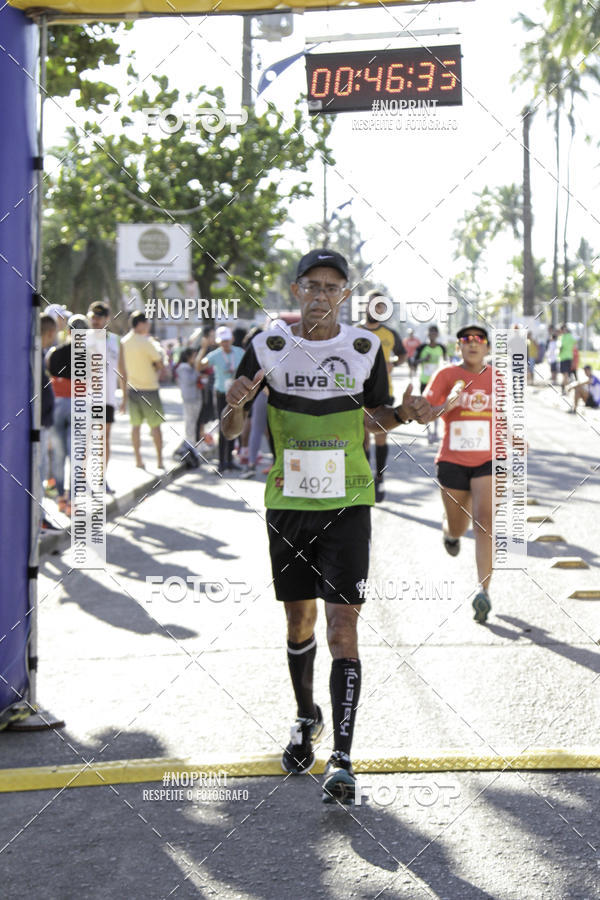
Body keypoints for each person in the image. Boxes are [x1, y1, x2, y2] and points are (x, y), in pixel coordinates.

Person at [221, 248, 433, 805]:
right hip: (288, 502)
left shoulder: (364, 349)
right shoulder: (266, 346)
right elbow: (230, 428)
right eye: (311, 285)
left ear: (345, 295)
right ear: (296, 291)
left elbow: (377, 417)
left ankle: (341, 756)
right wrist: (236, 404)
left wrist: (405, 415)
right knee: (299, 620)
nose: (321, 294)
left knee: (342, 626)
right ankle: (304, 715)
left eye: (332, 287)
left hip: (348, 502)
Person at [424, 324, 494, 624]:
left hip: (488, 459)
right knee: (458, 525)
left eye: (479, 340)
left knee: (485, 522)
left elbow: (508, 414)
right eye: (466, 340)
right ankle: (449, 533)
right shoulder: (446, 376)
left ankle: (483, 592)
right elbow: (427, 411)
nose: (473, 344)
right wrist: (446, 403)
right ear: (459, 347)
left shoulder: (498, 379)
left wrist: (516, 436)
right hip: (452, 460)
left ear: (487, 347)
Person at [359, 291, 406, 502]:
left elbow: (403, 354)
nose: (376, 309)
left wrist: (393, 363)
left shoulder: (389, 334)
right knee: (362, 438)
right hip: (357, 392)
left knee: (380, 436)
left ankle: (379, 477)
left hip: (383, 392)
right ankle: (364, 479)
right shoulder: (353, 331)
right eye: (373, 305)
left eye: (380, 306)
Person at [46, 314, 90, 515]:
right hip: (79, 405)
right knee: (76, 456)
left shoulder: (54, 353)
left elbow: (50, 375)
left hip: (57, 404)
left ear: (68, 331)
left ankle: (61, 499)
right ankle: (72, 501)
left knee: (58, 454)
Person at [120, 310, 167, 470]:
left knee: (135, 426)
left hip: (132, 388)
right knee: (155, 427)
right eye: (146, 323)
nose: (148, 326)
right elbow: (160, 363)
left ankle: (138, 460)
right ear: (139, 324)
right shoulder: (146, 342)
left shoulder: (124, 341)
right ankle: (160, 460)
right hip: (149, 389)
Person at [87, 301, 123, 493]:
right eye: (93, 316)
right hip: (86, 399)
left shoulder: (115, 340)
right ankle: (83, 480)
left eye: (100, 317)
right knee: (85, 440)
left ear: (107, 319)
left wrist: (124, 396)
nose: (96, 320)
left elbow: (122, 370)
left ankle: (101, 479)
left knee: (104, 440)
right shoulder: (82, 339)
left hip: (107, 399)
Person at [198, 326, 244, 475]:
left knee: (234, 425)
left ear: (232, 339)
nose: (225, 343)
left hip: (236, 394)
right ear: (218, 342)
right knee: (223, 426)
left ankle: (230, 460)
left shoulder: (239, 352)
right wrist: (203, 348)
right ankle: (221, 461)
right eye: (222, 341)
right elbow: (199, 366)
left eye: (227, 340)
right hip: (221, 394)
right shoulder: (215, 354)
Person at [40, 314, 59, 530]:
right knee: (40, 474)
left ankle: (40, 517)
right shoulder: (38, 355)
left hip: (44, 425)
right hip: (40, 426)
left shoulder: (42, 354)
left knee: (42, 473)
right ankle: (39, 520)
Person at [415, 325, 447, 443]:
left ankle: (435, 432)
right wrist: (423, 360)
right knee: (425, 407)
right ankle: (428, 433)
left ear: (437, 334)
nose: (433, 334)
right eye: (431, 332)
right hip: (424, 381)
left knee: (437, 407)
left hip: (438, 382)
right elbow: (413, 361)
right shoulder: (422, 348)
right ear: (427, 334)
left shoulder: (441, 348)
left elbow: (446, 361)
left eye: (435, 332)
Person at [174, 347, 202, 465]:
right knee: (190, 424)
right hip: (189, 399)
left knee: (193, 424)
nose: (195, 358)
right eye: (194, 356)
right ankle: (189, 447)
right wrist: (197, 371)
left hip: (195, 398)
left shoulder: (189, 368)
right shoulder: (183, 368)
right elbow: (190, 380)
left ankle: (192, 447)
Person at [557, 324, 576, 393]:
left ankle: (563, 388)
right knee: (566, 375)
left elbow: (560, 348)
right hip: (566, 358)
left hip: (565, 358)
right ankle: (564, 388)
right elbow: (575, 343)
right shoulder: (568, 337)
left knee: (566, 375)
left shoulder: (563, 337)